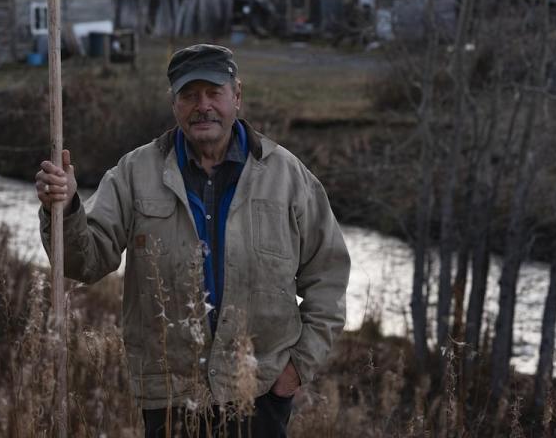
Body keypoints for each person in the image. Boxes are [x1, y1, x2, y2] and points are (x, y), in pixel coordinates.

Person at [36, 44, 350, 437]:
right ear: (174, 105)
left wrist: (295, 370)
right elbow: (87, 262)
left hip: (259, 393)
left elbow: (329, 276)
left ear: (236, 96)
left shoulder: (287, 176)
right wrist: (63, 210)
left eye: (213, 92)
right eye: (189, 95)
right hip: (169, 396)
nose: (202, 105)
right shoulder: (134, 173)